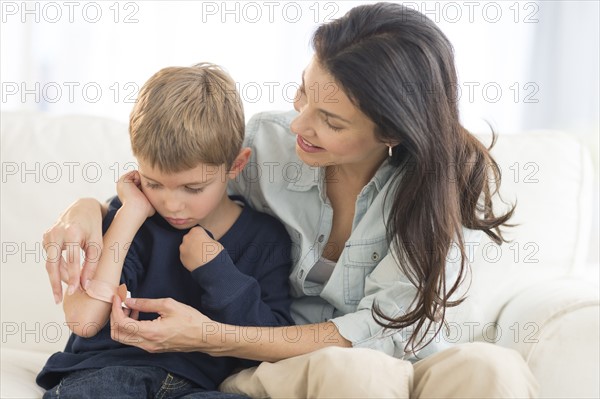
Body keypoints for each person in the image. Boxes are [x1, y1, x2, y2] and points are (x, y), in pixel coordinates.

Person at [42, 3, 539, 398]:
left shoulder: (436, 193)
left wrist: (209, 336)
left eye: (331, 121)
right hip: (293, 366)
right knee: (358, 377)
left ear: (391, 132)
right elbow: (174, 187)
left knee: (494, 370)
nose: (298, 124)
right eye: (303, 93)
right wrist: (88, 208)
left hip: (393, 356)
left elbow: (386, 332)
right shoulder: (269, 145)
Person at [37, 63, 294, 398]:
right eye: (154, 183)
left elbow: (269, 337)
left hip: (198, 387)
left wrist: (217, 270)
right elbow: (85, 320)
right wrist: (131, 213)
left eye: (192, 188)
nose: (171, 205)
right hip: (109, 372)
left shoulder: (266, 238)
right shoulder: (130, 216)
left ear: (236, 166)